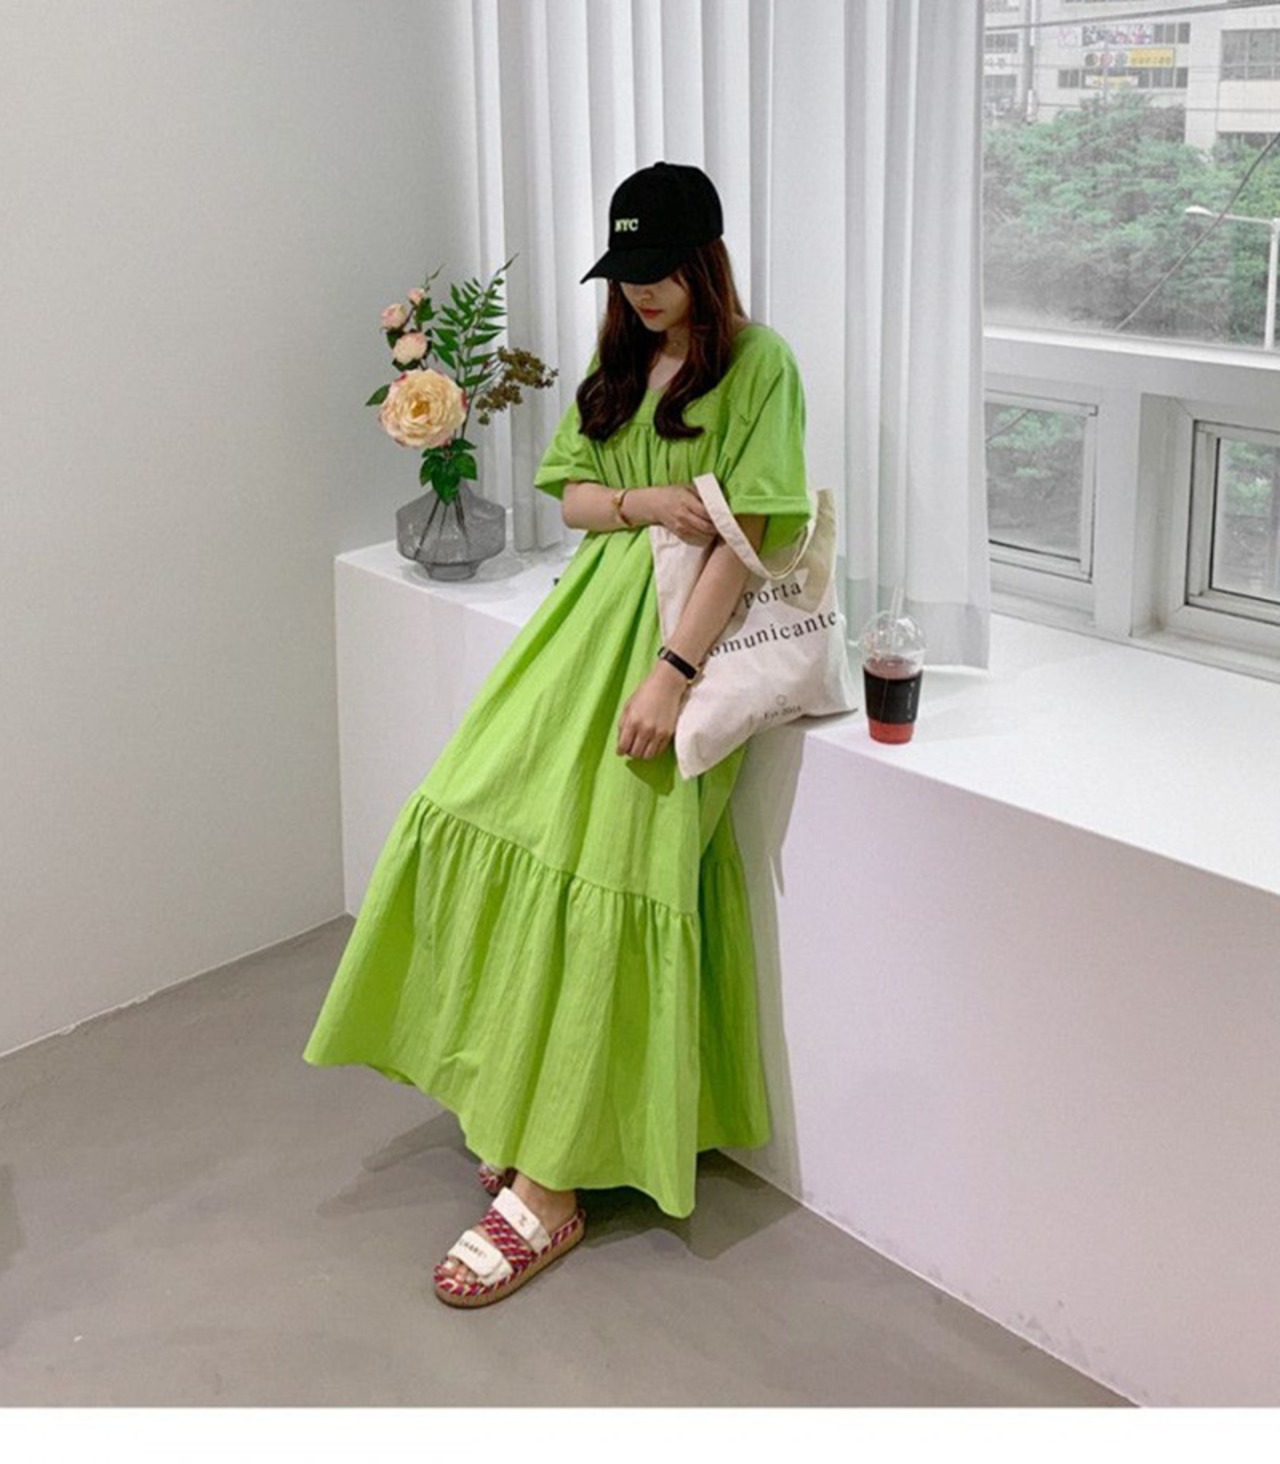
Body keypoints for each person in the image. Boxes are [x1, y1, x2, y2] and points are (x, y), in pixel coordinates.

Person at [301, 160, 813, 1309]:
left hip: (673, 640)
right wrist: (644, 502)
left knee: (612, 870)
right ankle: (516, 1097)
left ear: (705, 260)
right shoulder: (621, 360)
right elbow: (572, 495)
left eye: (658, 269)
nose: (638, 290)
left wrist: (672, 674)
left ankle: (550, 1184)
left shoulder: (760, 363)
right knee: (476, 808)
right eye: (624, 271)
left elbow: (749, 537)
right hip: (578, 628)